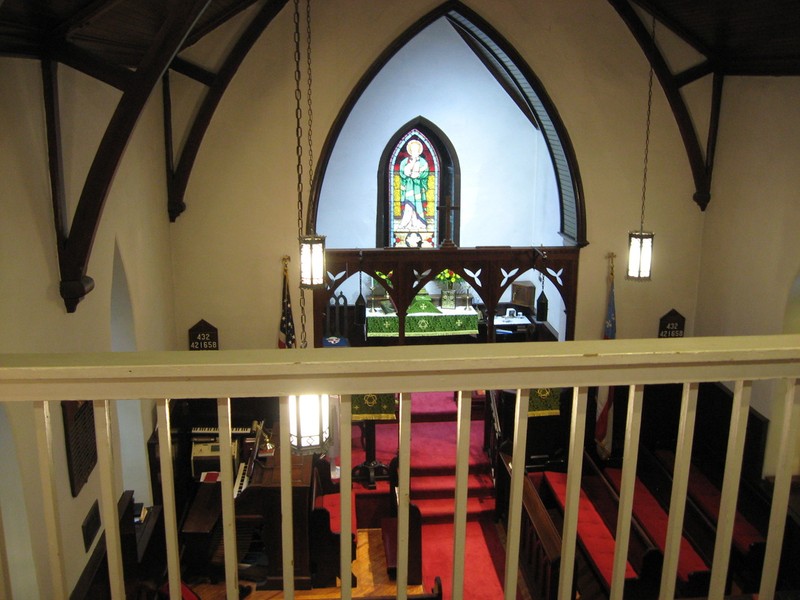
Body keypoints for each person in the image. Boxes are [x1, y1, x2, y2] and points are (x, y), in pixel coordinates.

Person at [397, 139, 429, 231]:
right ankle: (406, 223)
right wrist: (409, 175)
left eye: (417, 150)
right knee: (408, 205)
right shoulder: (405, 161)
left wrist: (419, 175)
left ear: (419, 151)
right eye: (413, 149)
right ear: (410, 151)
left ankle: (419, 223)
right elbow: (402, 173)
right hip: (409, 187)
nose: (415, 151)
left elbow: (425, 174)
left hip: (418, 187)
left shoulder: (423, 162)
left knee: (418, 205)